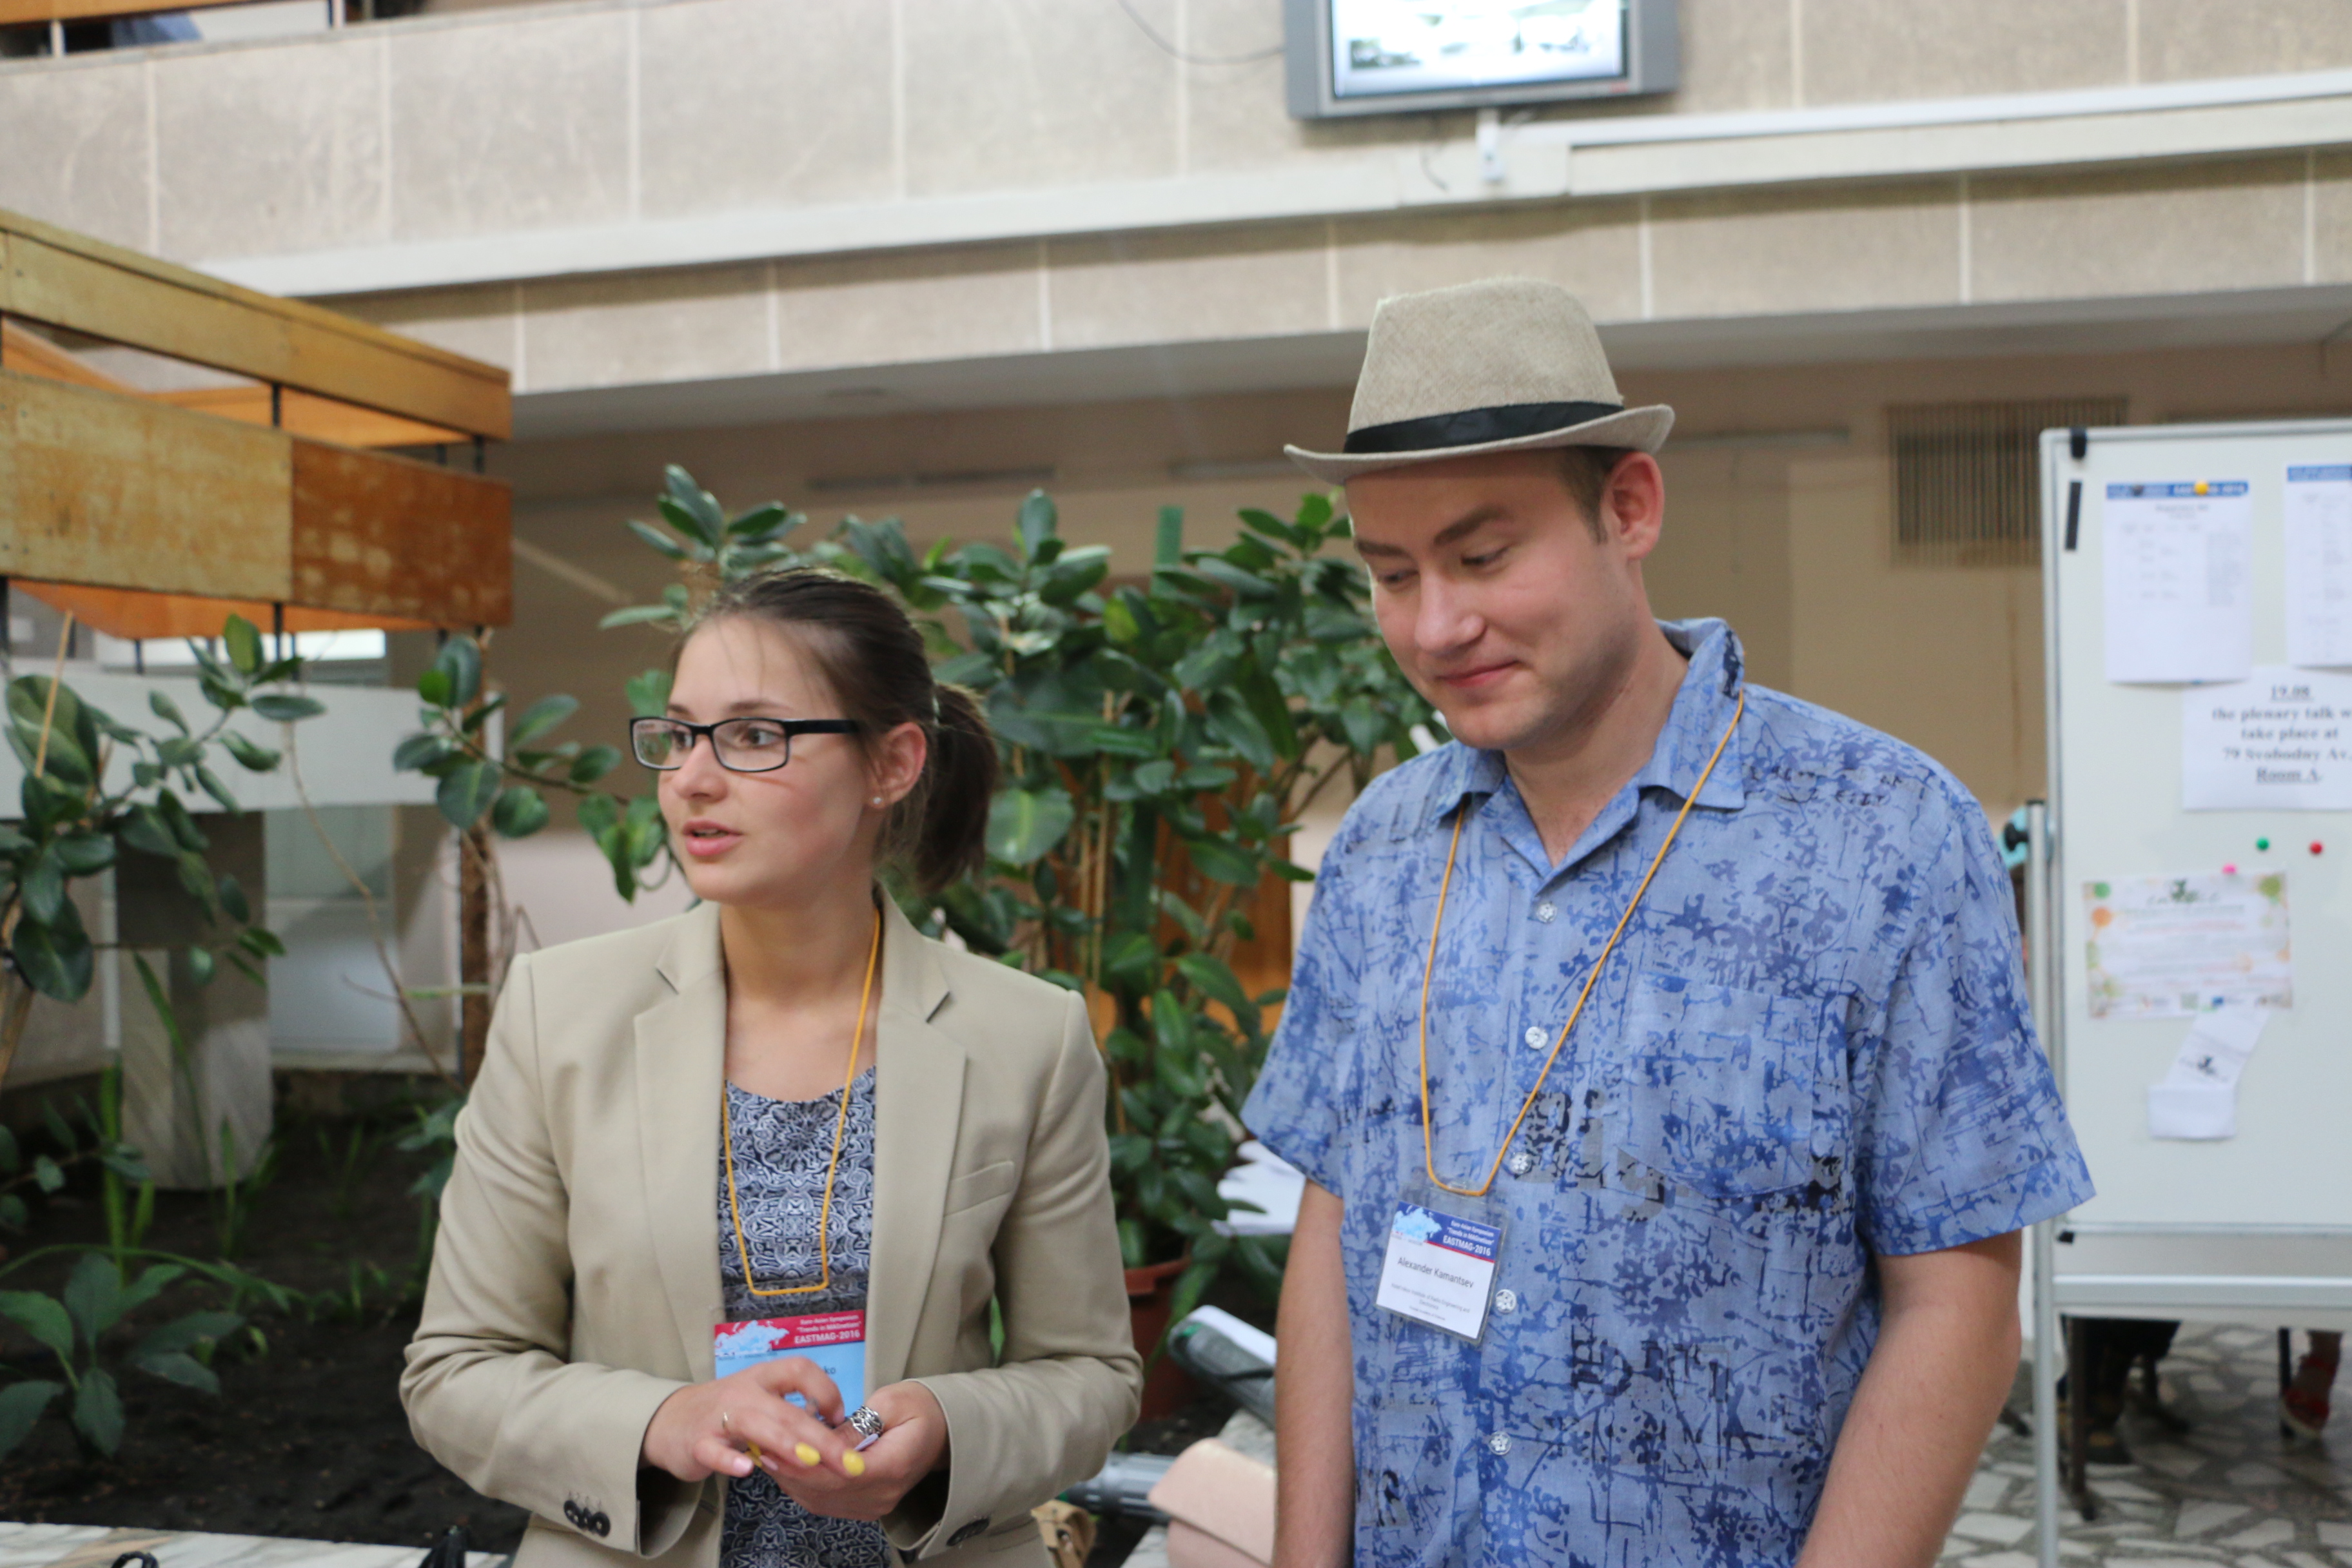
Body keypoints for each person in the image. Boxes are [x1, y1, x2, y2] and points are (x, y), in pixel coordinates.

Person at [1243, 278, 2095, 1568]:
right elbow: (1333, 1224)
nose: (1436, 625)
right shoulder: (1383, 846)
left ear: (1629, 509)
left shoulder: (1882, 831)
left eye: (1484, 557)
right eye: (1393, 574)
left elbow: (1957, 1298)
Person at [403, 569, 1141, 1567]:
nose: (691, 779)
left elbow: (1090, 1375)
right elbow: (455, 1370)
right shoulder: (558, 1016)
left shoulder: (1026, 1037)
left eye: (753, 736)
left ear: (893, 763)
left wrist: (950, 1428)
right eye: (678, 735)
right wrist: (664, 1421)